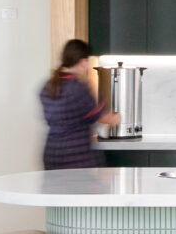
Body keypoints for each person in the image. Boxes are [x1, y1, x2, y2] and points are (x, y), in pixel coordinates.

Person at [40, 39, 119, 170]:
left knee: (55, 190)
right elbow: (101, 118)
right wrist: (116, 118)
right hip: (75, 156)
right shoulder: (78, 88)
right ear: (82, 62)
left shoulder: (48, 86)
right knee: (85, 189)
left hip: (52, 153)